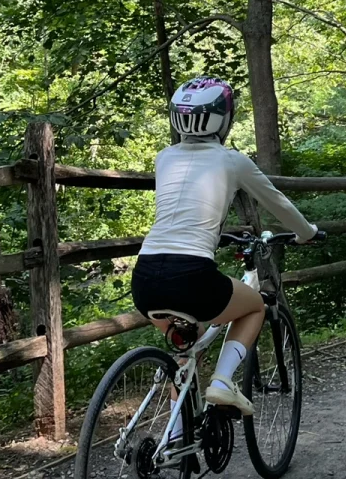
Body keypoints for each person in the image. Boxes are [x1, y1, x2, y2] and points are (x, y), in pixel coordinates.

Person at [131, 76, 321, 417]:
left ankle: (174, 442)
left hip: (145, 277)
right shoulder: (232, 160)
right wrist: (307, 231)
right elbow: (277, 203)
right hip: (192, 276)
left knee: (188, 350)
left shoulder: (164, 158)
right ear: (224, 119)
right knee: (255, 308)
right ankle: (222, 382)